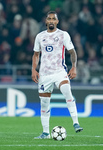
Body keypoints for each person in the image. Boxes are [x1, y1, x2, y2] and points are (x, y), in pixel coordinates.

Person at [31, 11, 83, 139]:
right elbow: (36, 54)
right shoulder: (40, 36)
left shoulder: (63, 35)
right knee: (44, 103)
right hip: (44, 75)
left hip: (59, 71)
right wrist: (33, 69)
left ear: (57, 22)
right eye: (49, 19)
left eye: (54, 19)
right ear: (46, 21)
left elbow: (72, 52)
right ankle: (45, 133)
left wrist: (74, 67)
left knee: (67, 91)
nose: (51, 21)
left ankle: (76, 123)